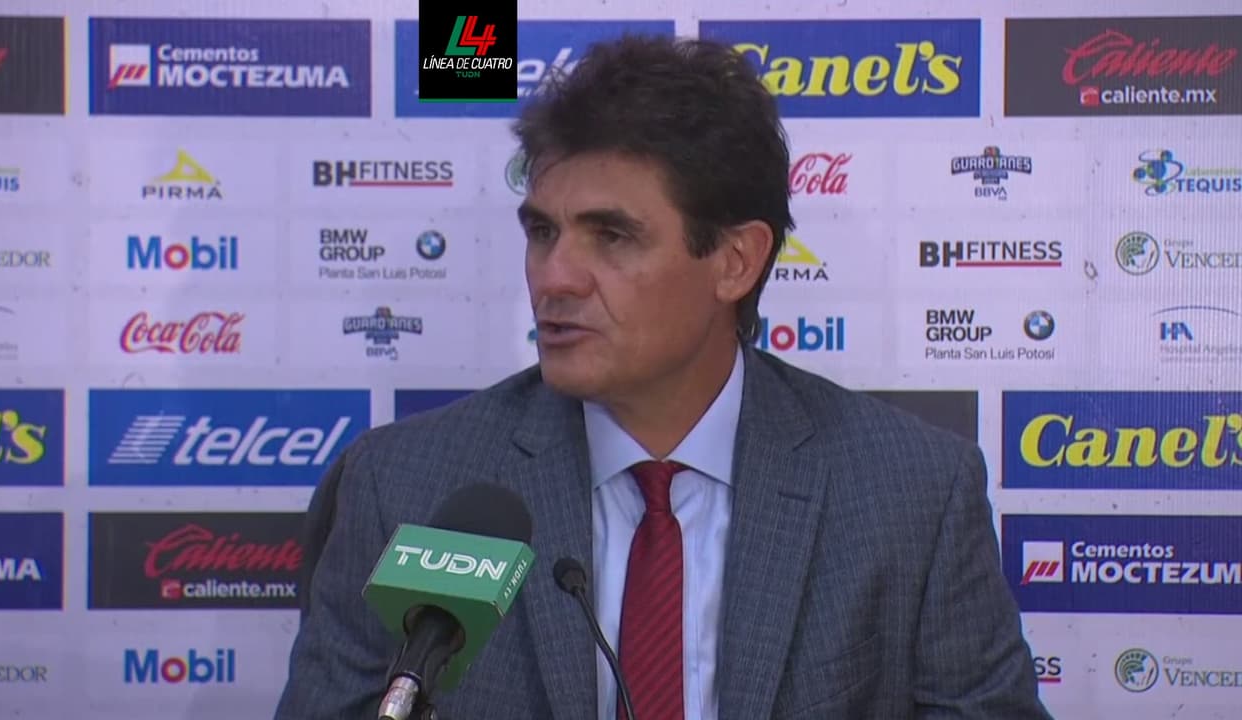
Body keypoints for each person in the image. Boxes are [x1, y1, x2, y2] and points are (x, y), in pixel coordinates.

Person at [276, 34, 1053, 720]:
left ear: (735, 261)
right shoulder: (405, 488)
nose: (555, 277)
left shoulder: (910, 495)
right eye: (543, 232)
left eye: (611, 236)